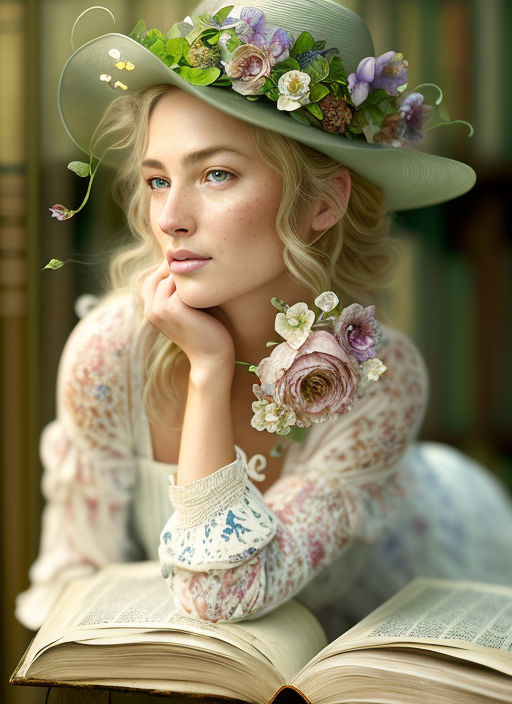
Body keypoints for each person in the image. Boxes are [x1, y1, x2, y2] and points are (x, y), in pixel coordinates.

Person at [17, 0, 512, 639]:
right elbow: (71, 587)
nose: (170, 219)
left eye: (216, 174)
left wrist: (209, 370)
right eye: (159, 180)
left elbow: (222, 591)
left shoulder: (378, 379)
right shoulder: (109, 355)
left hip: (415, 579)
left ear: (323, 203)